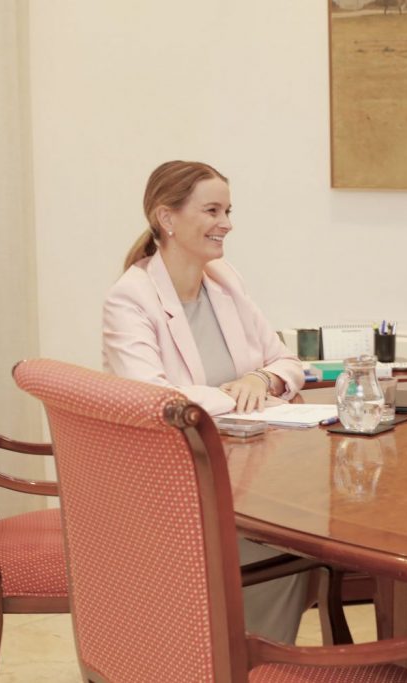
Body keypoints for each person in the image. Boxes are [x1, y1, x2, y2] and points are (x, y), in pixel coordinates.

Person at [102, 160, 309, 644]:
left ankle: (249, 663)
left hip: (239, 471)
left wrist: (261, 377)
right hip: (170, 486)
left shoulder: (224, 280)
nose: (227, 223)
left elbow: (287, 361)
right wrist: (235, 394)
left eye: (228, 210)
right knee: (287, 546)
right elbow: (151, 398)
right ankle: (233, 662)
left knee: (300, 542)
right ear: (166, 219)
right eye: (212, 210)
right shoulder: (130, 298)